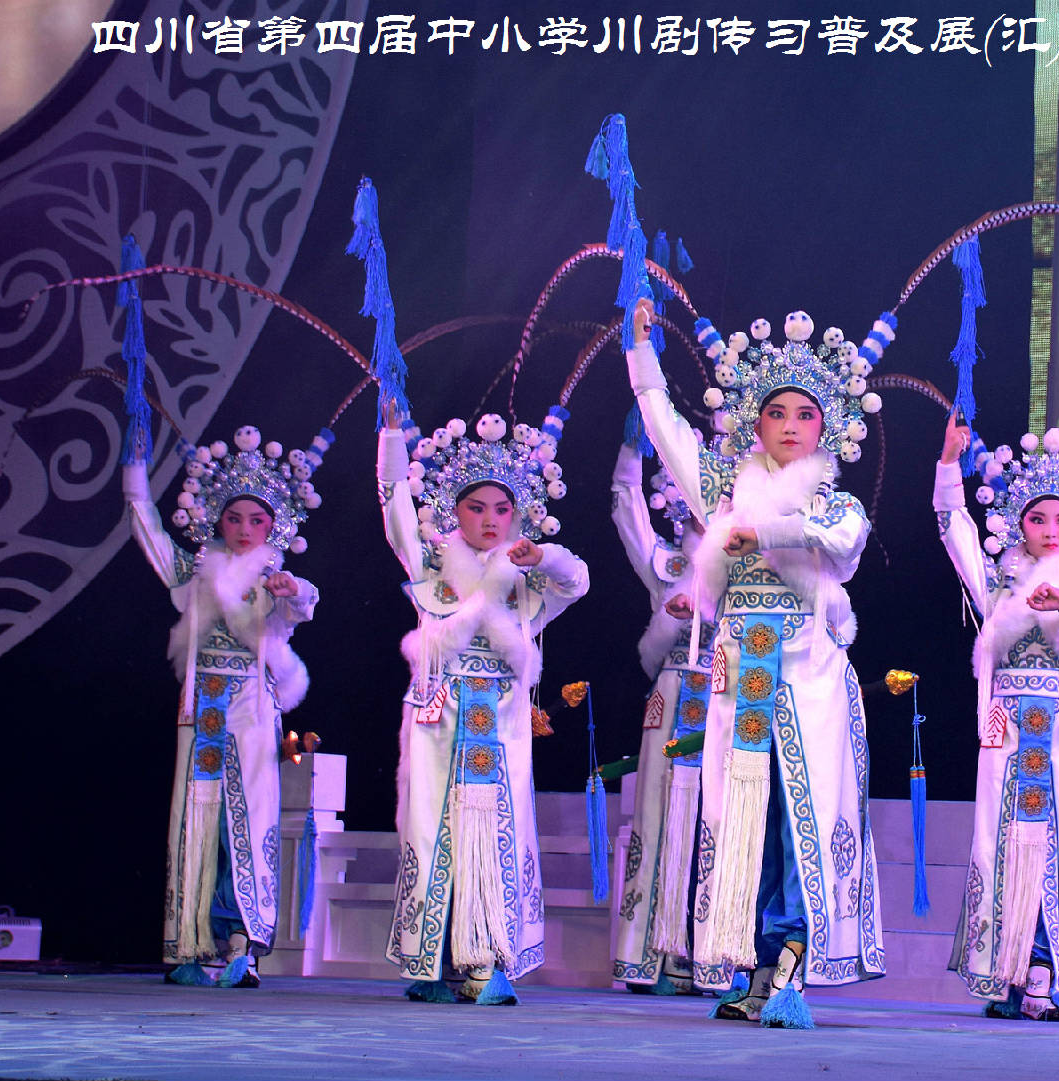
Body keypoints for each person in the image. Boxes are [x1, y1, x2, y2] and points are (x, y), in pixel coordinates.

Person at [624, 298, 886, 1027]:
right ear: (755, 423)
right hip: (739, 682)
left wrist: (759, 533)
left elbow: (840, 545)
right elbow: (667, 431)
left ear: (826, 427)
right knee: (748, 816)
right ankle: (757, 962)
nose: (791, 425)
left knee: (802, 817)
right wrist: (642, 355)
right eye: (777, 413)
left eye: (806, 414)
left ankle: (793, 958)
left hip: (807, 681)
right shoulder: (722, 492)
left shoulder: (836, 506)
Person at [378, 403, 589, 1005]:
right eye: (476, 507)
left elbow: (577, 581)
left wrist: (543, 557)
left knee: (499, 829)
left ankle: (489, 957)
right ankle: (434, 961)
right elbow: (395, 510)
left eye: (502, 508)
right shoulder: (432, 566)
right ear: (455, 511)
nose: (490, 519)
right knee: (431, 828)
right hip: (438, 716)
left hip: (500, 721)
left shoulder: (526, 579)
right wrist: (390, 438)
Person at [933, 413, 1059, 1021]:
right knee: (1000, 846)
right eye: (1038, 519)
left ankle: (1044, 972)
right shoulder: (998, 588)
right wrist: (949, 465)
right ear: (1019, 524)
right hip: (1006, 736)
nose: (1050, 530)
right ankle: (1007, 970)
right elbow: (954, 531)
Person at [123, 424, 322, 987]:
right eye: (234, 519)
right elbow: (147, 526)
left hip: (253, 714)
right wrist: (135, 471)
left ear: (273, 526)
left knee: (248, 822)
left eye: (256, 520)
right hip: (201, 712)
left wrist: (289, 593)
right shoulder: (195, 575)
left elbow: (302, 604)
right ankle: (193, 941)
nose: (244, 529)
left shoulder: (275, 581)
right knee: (197, 821)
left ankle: (241, 942)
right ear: (218, 521)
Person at [607, 436, 726, 994]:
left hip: (729, 698)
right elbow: (626, 506)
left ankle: (711, 955)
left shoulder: (751, 565)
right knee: (657, 815)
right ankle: (650, 953)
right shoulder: (668, 564)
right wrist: (633, 447)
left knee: (719, 820)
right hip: (674, 693)